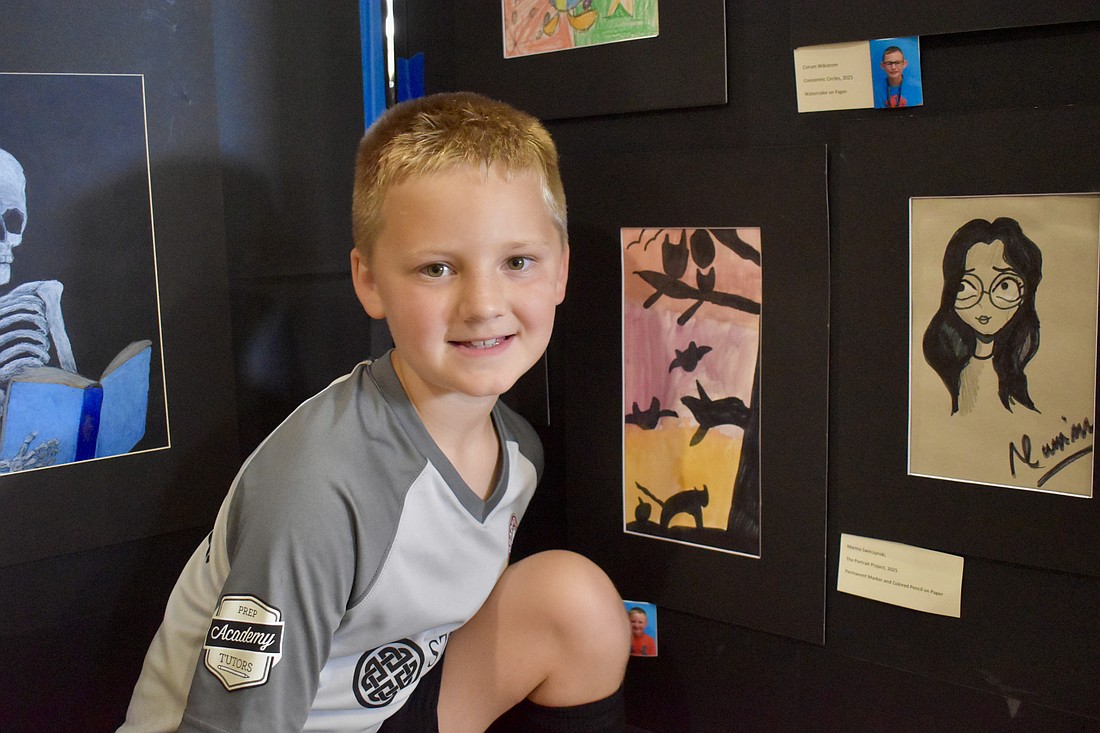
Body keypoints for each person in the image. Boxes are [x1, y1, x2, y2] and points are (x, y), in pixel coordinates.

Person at [118, 91, 630, 733]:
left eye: (518, 262)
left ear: (560, 273)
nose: (484, 302)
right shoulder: (320, 490)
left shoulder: (519, 451)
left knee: (574, 603)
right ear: (369, 282)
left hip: (379, 708)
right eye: (437, 268)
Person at [922, 217, 1043, 416]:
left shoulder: (1025, 369)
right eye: (966, 286)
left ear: (1025, 292)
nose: (983, 303)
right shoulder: (944, 368)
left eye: (1004, 285)